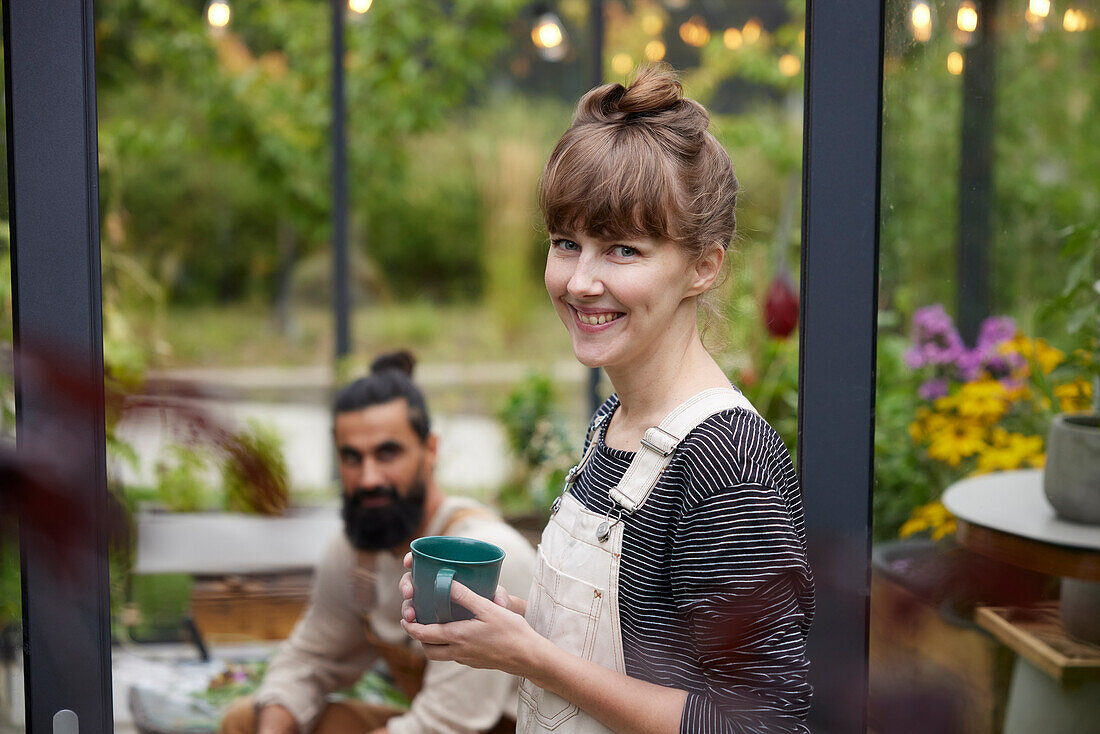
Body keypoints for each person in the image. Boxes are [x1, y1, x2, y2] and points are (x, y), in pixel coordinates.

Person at [399, 66, 814, 733]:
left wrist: (533, 657)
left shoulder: (727, 462)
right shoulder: (615, 425)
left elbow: (760, 722)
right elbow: (641, 653)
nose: (582, 281)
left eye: (623, 249)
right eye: (568, 244)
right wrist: (504, 630)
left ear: (704, 266)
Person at [221, 351, 537, 734]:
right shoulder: (358, 552)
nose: (368, 478)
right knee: (246, 720)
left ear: (430, 450)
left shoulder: (484, 558)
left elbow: (445, 725)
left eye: (388, 453)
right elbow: (308, 661)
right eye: (352, 458)